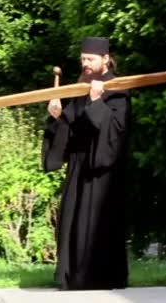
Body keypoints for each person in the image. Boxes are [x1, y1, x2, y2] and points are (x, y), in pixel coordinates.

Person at [41, 36, 131, 290]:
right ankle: (73, 278)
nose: (86, 64)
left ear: (105, 59)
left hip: (103, 172)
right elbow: (71, 129)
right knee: (73, 219)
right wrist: (58, 117)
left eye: (90, 59)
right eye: (83, 59)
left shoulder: (118, 89)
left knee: (99, 225)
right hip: (80, 167)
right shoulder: (81, 86)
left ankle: (101, 277)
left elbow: (115, 131)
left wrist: (96, 102)